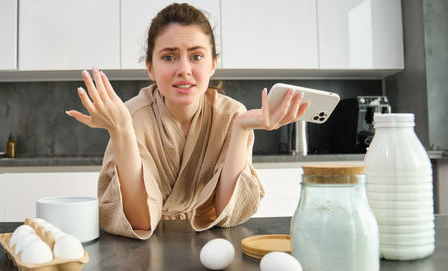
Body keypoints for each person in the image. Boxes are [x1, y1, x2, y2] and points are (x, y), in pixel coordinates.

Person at [66, 3, 308, 239]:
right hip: (146, 246)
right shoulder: (130, 116)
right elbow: (138, 221)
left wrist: (242, 128)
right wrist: (122, 131)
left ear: (213, 64)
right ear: (150, 67)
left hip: (206, 238)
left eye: (197, 56)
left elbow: (224, 212)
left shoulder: (232, 115)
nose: (184, 69)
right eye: (169, 57)